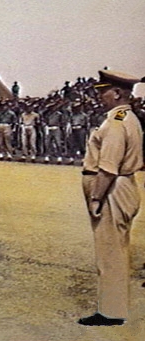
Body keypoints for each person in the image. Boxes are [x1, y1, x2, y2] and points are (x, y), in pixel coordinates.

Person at [78, 70, 143, 326]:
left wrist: (95, 198)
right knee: (116, 249)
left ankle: (111, 311)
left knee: (110, 252)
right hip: (121, 187)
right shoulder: (127, 117)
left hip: (112, 189)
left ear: (117, 93)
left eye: (102, 92)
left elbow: (108, 167)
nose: (99, 97)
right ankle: (113, 307)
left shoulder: (116, 121)